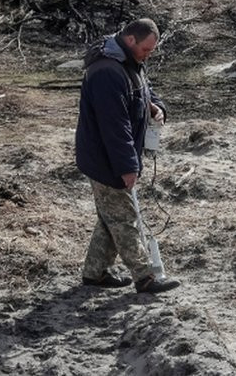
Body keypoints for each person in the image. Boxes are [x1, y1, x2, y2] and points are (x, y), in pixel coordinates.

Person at [75, 18, 181, 294]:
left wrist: (155, 106)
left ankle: (95, 273)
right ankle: (145, 277)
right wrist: (127, 166)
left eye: (151, 50)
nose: (149, 55)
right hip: (105, 158)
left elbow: (142, 88)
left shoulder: (127, 60)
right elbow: (114, 125)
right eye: (146, 49)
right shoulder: (106, 71)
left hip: (115, 155)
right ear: (131, 39)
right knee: (124, 217)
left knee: (111, 215)